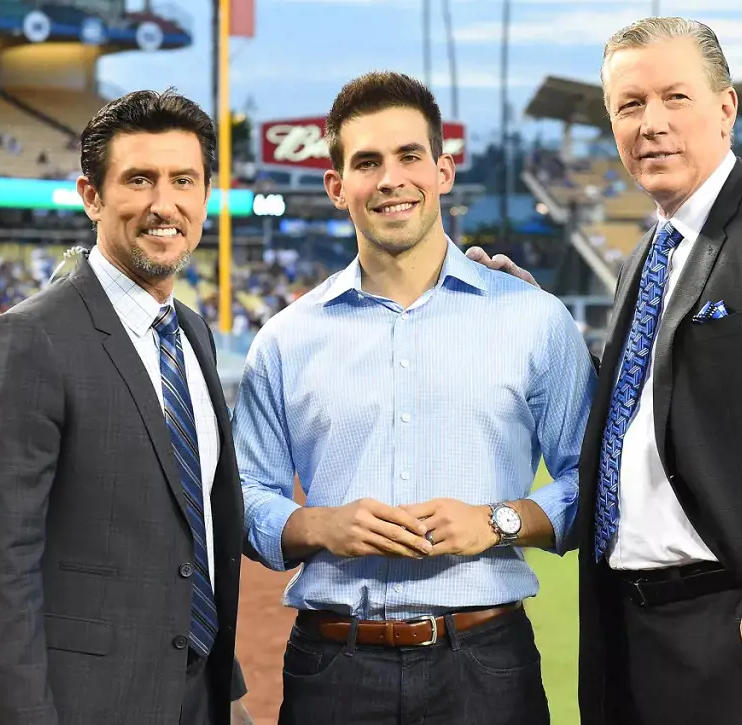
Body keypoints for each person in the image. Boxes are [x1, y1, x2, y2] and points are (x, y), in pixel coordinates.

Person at [467, 17, 742, 725]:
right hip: (637, 636)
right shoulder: (646, 255)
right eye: (630, 106)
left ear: (726, 109)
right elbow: (639, 412)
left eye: (675, 97)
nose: (652, 124)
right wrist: (533, 313)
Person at [231, 71, 596, 725]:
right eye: (367, 162)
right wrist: (319, 525)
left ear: (444, 170)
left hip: (486, 664)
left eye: (409, 156)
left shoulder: (534, 319)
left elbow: (593, 483)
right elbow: (245, 497)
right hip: (334, 664)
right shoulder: (285, 339)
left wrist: (498, 520)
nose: (391, 178)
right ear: (337, 187)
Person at [0, 89, 253, 725]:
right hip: (84, 704)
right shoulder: (27, 340)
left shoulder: (192, 334)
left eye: (183, 181)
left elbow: (188, 528)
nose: (162, 204)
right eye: (138, 179)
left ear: (205, 197)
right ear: (91, 195)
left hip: (195, 694)